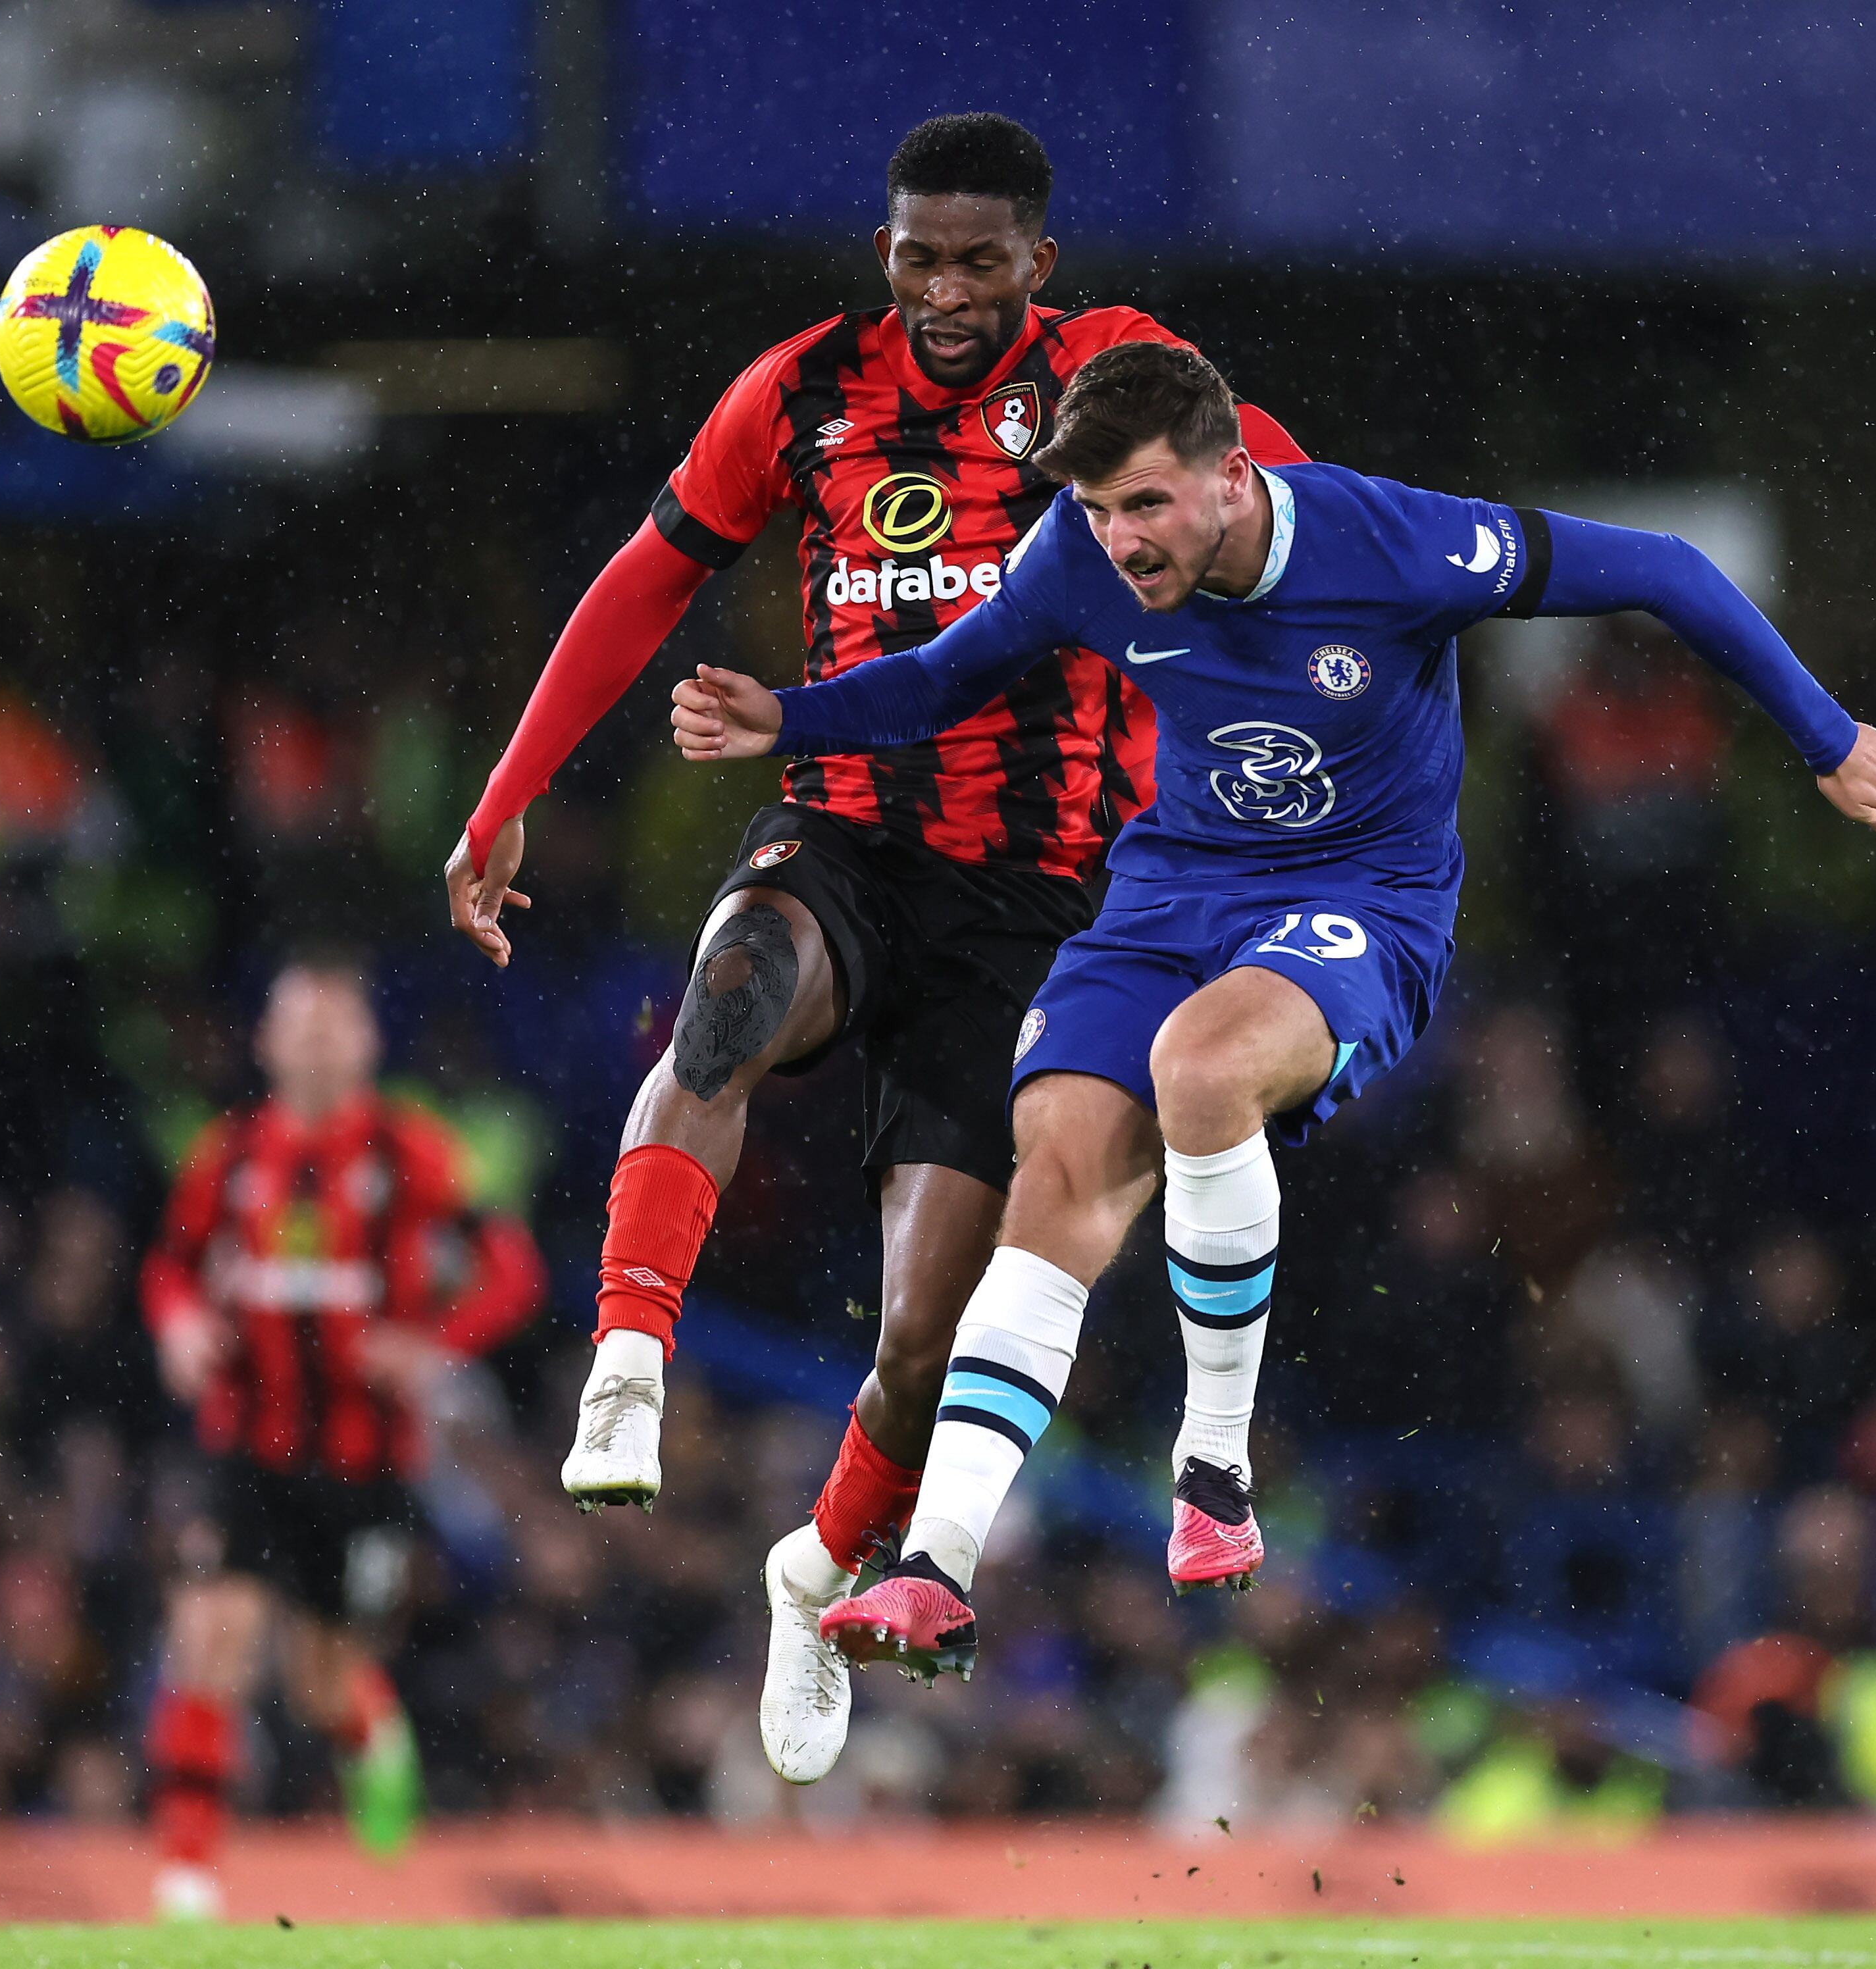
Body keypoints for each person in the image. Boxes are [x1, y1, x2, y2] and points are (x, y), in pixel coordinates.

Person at [669, 342, 1876, 1678]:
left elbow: (1666, 571)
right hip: (1170, 891)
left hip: (1363, 899)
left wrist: (1828, 738)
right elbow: (944, 676)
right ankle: (935, 1565)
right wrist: (789, 711)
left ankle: (1213, 1464)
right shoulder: (1078, 551)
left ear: (1235, 477)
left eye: (1147, 504)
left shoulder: (1387, 542)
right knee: (1049, 1172)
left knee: (1201, 1066)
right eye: (1100, 509)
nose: (1119, 538)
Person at [442, 115, 1301, 1781]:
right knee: (728, 996)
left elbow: (1291, 507)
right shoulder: (803, 391)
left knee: (926, 1336)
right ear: (884, 251)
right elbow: (643, 578)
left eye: (983, 260)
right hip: (843, 830)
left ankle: (815, 1566)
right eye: (920, 255)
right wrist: (509, 789)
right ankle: (630, 1358)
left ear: (1039, 265)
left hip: (1046, 897)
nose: (948, 289)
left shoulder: (1121, 378)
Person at [138, 956, 547, 1918]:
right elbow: (171, 1270)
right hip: (242, 1443)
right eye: (301, 1028)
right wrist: (183, 1328)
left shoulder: (414, 1155)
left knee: (320, 1677)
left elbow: (510, 1270)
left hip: (362, 1463)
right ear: (268, 1043)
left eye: (336, 1028)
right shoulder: (229, 1158)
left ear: (367, 1043)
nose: (319, 1046)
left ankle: (373, 1735)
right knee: (211, 1635)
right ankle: (187, 1884)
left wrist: (434, 1345)